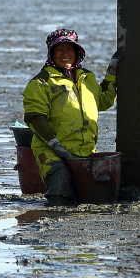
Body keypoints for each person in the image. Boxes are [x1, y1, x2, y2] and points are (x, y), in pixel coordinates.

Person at [22, 29, 120, 205]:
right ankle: (53, 214)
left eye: (70, 49)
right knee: (60, 177)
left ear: (77, 53)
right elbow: (34, 116)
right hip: (52, 150)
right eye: (59, 50)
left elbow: (104, 101)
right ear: (51, 53)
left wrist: (112, 73)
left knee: (88, 195)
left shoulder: (87, 77)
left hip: (85, 150)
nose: (65, 54)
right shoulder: (41, 82)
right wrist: (54, 144)